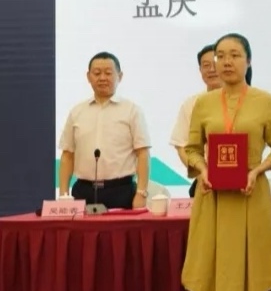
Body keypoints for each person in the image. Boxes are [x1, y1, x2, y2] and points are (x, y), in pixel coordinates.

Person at [181, 33, 271, 291]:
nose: (226, 62)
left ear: (248, 60)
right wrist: (203, 169)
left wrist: (257, 170)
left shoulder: (265, 101)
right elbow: (191, 149)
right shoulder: (203, 103)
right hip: (213, 200)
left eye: (234, 55)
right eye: (220, 55)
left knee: (254, 280)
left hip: (250, 197)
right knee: (213, 281)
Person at [57, 51, 151, 209]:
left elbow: (143, 154)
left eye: (108, 73)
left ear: (120, 76)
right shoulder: (77, 112)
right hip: (83, 191)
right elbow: (67, 155)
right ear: (88, 77)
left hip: (121, 191)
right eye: (97, 73)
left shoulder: (132, 110)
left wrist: (141, 193)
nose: (102, 78)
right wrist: (63, 194)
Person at [170, 44, 222, 197]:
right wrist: (200, 174)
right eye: (206, 65)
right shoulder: (191, 104)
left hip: (241, 181)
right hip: (203, 181)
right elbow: (181, 145)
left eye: (215, 64)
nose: (211, 69)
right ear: (200, 70)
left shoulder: (245, 100)